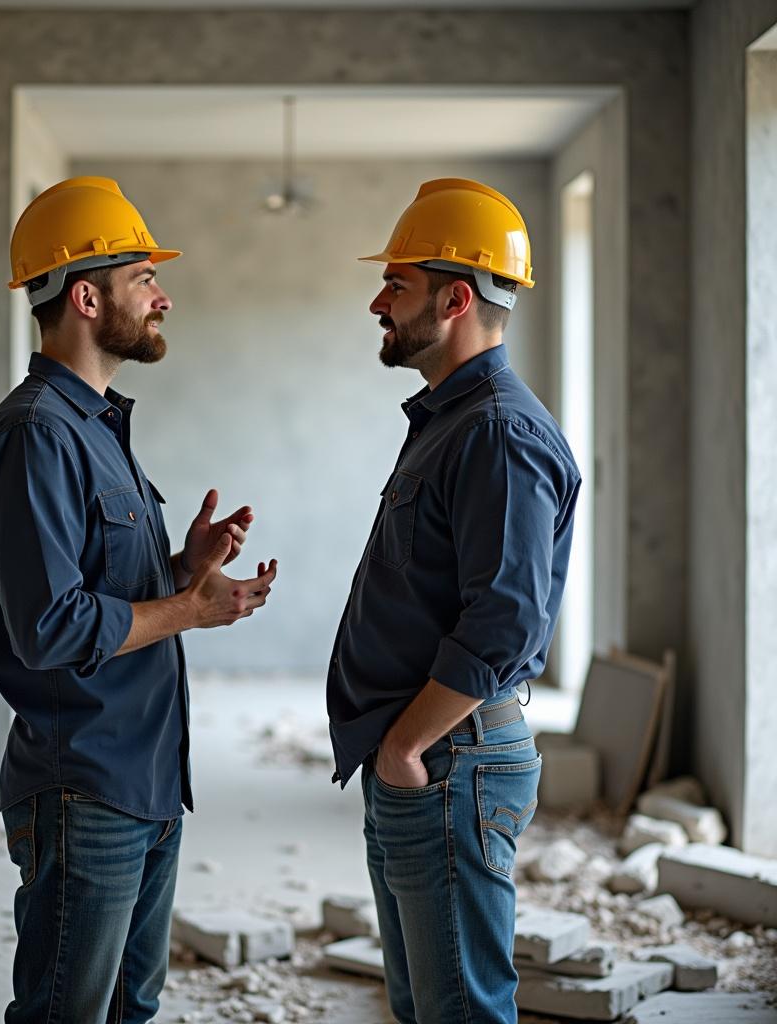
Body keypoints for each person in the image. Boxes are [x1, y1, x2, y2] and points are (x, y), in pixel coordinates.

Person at [0, 176, 278, 1024]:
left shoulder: (95, 427)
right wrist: (191, 611)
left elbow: (98, 588)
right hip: (84, 790)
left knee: (129, 1009)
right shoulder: (36, 434)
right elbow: (50, 627)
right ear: (86, 296)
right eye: (144, 278)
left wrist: (186, 568)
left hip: (145, 781)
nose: (162, 295)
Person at [327, 178, 581, 1024]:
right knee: (424, 1007)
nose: (378, 301)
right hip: (427, 759)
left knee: (460, 1012)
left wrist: (404, 746)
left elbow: (506, 620)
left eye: (395, 285)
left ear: (456, 297)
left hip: (448, 759)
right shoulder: (453, 420)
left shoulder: (498, 432)